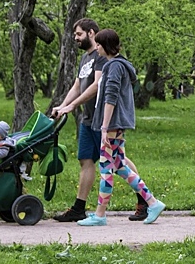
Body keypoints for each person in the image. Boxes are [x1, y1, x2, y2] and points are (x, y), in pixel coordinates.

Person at [51, 18, 148, 222]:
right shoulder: (85, 59)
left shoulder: (103, 56)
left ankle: (144, 200)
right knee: (86, 160)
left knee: (118, 161)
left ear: (91, 33)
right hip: (88, 119)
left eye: (79, 34)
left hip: (103, 118)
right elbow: (77, 86)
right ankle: (79, 207)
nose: (75, 38)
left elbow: (97, 86)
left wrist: (72, 106)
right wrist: (63, 106)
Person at [77, 29, 165, 226]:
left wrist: (104, 127)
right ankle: (153, 202)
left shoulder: (114, 66)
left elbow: (111, 97)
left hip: (112, 124)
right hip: (114, 124)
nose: (96, 46)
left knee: (106, 169)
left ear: (106, 45)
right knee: (120, 167)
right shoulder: (116, 64)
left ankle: (100, 215)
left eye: (99, 44)